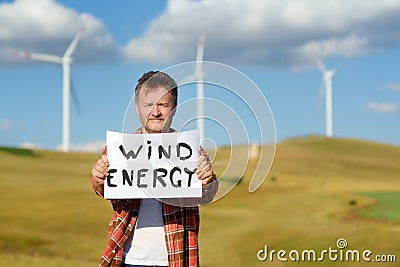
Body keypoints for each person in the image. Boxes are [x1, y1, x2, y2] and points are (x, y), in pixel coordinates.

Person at [91, 71, 218, 267]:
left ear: (174, 108)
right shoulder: (119, 150)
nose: (155, 112)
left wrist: (207, 179)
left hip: (176, 259)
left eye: (163, 105)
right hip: (128, 260)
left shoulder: (189, 151)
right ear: (137, 108)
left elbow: (206, 195)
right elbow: (103, 190)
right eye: (148, 105)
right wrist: (98, 178)